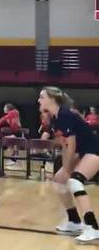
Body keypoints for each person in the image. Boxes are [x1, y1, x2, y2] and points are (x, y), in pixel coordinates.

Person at [40, 86, 99, 243]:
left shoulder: (65, 115)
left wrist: (67, 168)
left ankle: (93, 227)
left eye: (42, 97)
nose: (39, 100)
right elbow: (64, 145)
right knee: (59, 179)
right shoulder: (55, 118)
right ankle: (74, 221)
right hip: (82, 151)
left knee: (74, 182)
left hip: (94, 150)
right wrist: (65, 169)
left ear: (52, 99)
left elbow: (71, 146)